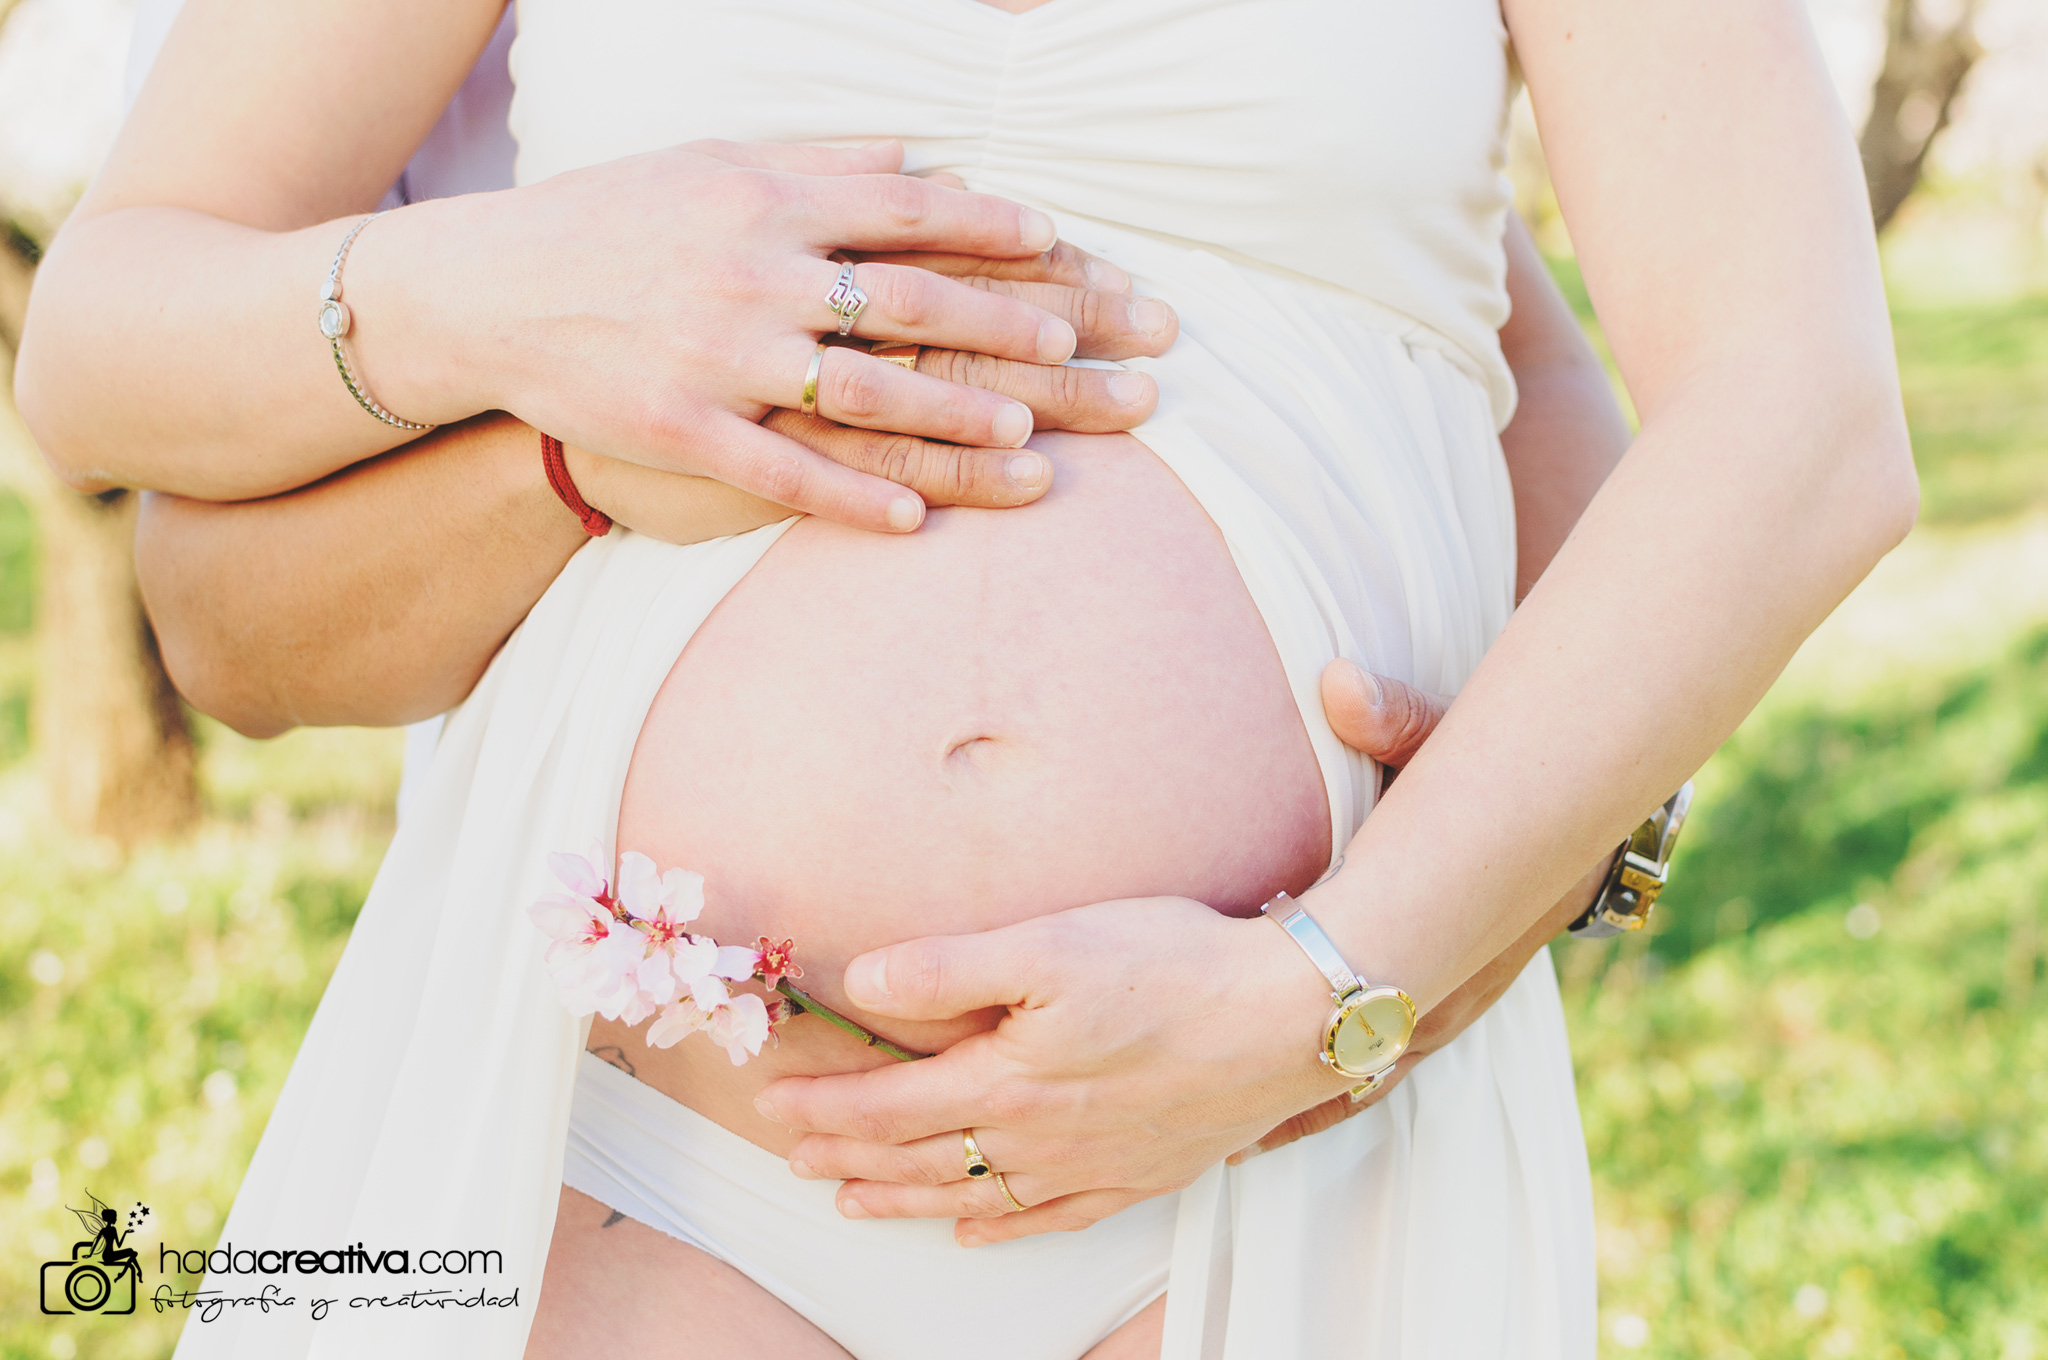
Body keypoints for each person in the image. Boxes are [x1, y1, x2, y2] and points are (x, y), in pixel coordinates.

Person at [13, 0, 1917, 1356]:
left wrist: (1338, 985)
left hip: (1278, 1163)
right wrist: (522, 292)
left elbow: (1796, 410)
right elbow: (103, 355)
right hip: (630, 1159)